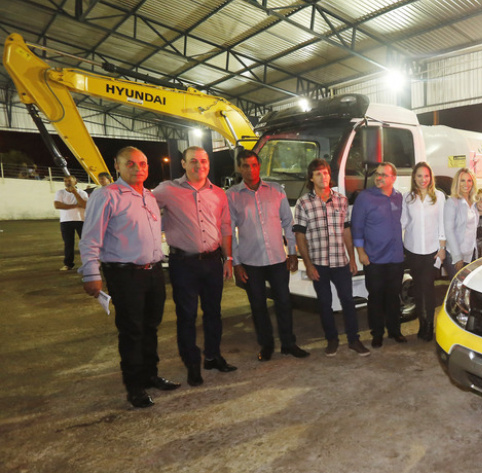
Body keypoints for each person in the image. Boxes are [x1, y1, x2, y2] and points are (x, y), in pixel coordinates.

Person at [79, 146, 178, 409]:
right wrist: (91, 273)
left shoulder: (149, 196)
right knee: (132, 331)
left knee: (151, 327)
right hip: (125, 275)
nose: (138, 168)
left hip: (154, 272)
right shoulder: (106, 196)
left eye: (143, 164)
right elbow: (90, 238)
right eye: (131, 164)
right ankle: (134, 388)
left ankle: (150, 375)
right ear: (118, 166)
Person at [153, 146, 236, 386]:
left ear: (208, 163)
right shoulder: (167, 190)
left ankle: (212, 356)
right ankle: (192, 365)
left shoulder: (219, 193)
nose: (199, 166)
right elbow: (143, 205)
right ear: (183, 164)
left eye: (203, 161)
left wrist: (228, 258)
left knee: (214, 313)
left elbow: (226, 227)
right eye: (193, 162)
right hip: (183, 264)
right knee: (186, 316)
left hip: (212, 262)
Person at [227, 150, 310, 362]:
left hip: (277, 259)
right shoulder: (232, 195)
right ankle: (266, 345)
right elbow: (229, 232)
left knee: (284, 302)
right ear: (239, 168)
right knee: (258, 306)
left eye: (254, 165)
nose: (250, 170)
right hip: (250, 262)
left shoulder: (275, 190)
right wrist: (236, 263)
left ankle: (288, 343)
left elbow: (287, 223)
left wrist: (291, 252)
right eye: (245, 165)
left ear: (259, 166)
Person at [293, 158, 370, 357]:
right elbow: (300, 236)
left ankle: (354, 340)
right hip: (318, 263)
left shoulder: (341, 200)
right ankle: (332, 340)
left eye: (326, 173)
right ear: (311, 177)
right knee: (325, 303)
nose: (323, 177)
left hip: (340, 262)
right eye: (318, 173)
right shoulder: (303, 203)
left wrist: (352, 259)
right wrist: (308, 265)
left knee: (347, 301)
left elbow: (346, 231)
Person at [351, 162, 406, 349]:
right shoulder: (365, 198)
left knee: (394, 296)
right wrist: (361, 253)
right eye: (377, 174)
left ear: (393, 178)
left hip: (396, 256)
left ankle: (395, 331)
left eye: (384, 174)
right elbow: (356, 227)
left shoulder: (399, 197)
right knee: (375, 297)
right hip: (373, 257)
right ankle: (377, 333)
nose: (379, 177)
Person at [401, 162, 446, 342]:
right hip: (412, 250)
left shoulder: (439, 197)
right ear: (414, 177)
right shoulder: (408, 197)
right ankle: (422, 322)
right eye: (419, 176)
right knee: (417, 290)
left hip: (431, 251)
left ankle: (430, 325)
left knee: (428, 289)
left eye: (426, 176)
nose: (423, 179)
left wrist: (442, 248)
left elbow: (442, 224)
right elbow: (403, 222)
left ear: (431, 177)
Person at [443, 168, 479, 275]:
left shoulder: (473, 202)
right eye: (462, 180)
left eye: (469, 180)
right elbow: (448, 231)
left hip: (470, 254)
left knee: (468, 289)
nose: (466, 184)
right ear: (457, 183)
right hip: (455, 256)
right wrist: (457, 258)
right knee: (458, 289)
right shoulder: (451, 202)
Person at [53, 175, 88, 271]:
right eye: (65, 181)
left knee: (85, 243)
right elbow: (57, 205)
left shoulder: (82, 193)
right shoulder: (60, 192)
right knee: (68, 244)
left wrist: (75, 193)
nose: (67, 182)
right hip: (65, 221)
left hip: (81, 220)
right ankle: (68, 264)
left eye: (69, 180)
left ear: (75, 182)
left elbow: (84, 205)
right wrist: (75, 205)